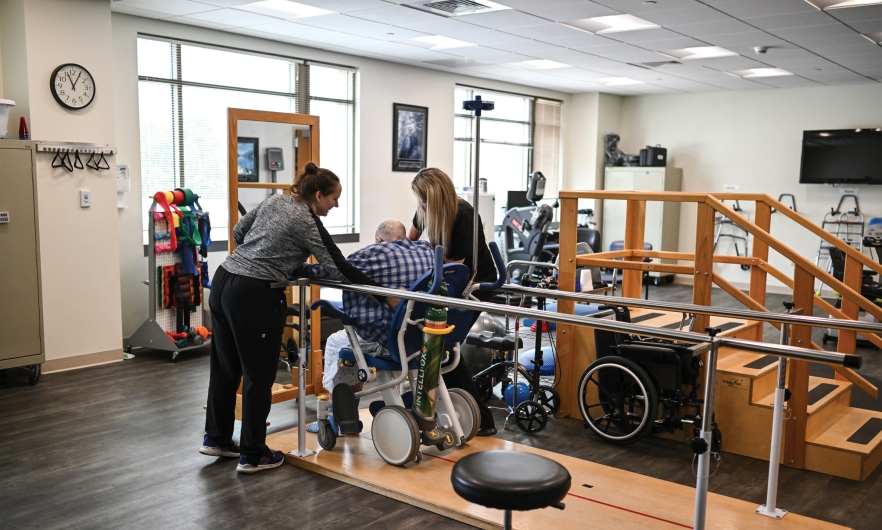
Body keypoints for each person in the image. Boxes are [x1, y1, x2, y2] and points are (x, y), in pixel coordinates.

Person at [201, 162, 396, 474]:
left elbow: (240, 231)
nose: (336, 204)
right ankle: (253, 454)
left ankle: (218, 438)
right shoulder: (306, 221)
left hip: (225, 281)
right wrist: (382, 294)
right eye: (334, 198)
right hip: (254, 293)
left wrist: (270, 255)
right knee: (259, 376)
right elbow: (338, 267)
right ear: (318, 195)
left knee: (226, 368)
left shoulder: (276, 200)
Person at [300, 219, 435, 432]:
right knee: (351, 342)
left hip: (390, 342)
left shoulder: (373, 254)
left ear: (379, 240)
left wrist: (297, 266)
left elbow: (331, 272)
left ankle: (340, 421)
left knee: (338, 342)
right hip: (425, 339)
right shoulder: (426, 250)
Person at [409, 168, 498, 436]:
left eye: (423, 201)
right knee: (443, 350)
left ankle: (482, 419)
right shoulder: (425, 209)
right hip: (451, 285)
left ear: (434, 198)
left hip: (474, 286)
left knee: (445, 349)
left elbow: (453, 270)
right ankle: (471, 415)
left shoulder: (464, 217)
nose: (421, 207)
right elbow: (408, 241)